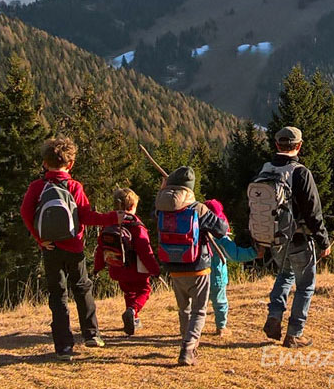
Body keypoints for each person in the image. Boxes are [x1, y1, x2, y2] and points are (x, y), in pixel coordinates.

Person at [20, 137, 124, 360]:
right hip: (74, 247)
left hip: (50, 248)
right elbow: (87, 216)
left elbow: (26, 214)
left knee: (58, 295)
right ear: (71, 164)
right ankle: (91, 334)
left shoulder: (37, 187)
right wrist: (114, 218)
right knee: (82, 287)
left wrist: (40, 239)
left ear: (45, 163)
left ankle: (64, 347)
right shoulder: (74, 187)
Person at [261, 126, 332, 349]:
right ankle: (294, 334)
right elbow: (313, 212)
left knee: (284, 274)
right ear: (299, 146)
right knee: (305, 285)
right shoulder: (300, 172)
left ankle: (274, 315)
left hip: (274, 237)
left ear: (276, 145)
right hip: (299, 238)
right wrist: (323, 241)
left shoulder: (265, 169)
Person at [155, 166, 229, 366]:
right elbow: (222, 229)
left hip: (173, 266)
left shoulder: (161, 206)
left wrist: (163, 189)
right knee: (199, 311)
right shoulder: (198, 208)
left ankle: (185, 342)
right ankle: (188, 348)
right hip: (198, 265)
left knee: (184, 309)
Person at [93, 188, 160, 336]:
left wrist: (97, 267)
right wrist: (155, 270)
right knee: (144, 291)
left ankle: (133, 319)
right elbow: (145, 252)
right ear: (132, 206)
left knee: (128, 292)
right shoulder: (137, 227)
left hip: (117, 268)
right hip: (137, 269)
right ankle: (133, 311)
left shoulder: (108, 225)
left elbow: (100, 248)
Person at [203, 199, 260, 337]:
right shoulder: (220, 237)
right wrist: (254, 253)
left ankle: (191, 329)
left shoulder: (196, 230)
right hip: (216, 276)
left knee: (198, 306)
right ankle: (221, 328)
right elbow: (235, 255)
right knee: (220, 302)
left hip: (198, 275)